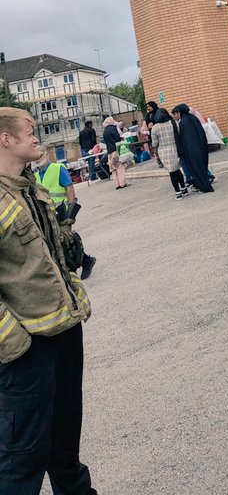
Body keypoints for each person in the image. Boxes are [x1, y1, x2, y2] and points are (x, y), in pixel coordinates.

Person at [0, 107, 96, 494]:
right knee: (22, 460)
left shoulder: (31, 188)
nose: (37, 137)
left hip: (63, 332)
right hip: (26, 350)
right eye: (30, 131)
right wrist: (12, 340)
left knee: (64, 449)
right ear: (5, 139)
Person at [34, 157, 96, 281]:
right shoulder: (35, 175)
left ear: (46, 155)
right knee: (59, 242)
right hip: (48, 214)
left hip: (62, 212)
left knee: (67, 240)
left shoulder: (57, 168)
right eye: (36, 157)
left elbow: (69, 188)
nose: (37, 159)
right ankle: (82, 262)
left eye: (40, 156)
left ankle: (85, 262)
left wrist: (71, 210)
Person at [171, 105, 214, 193]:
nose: (176, 114)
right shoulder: (192, 118)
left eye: (177, 112)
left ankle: (203, 187)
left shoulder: (184, 122)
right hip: (200, 147)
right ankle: (203, 185)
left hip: (192, 150)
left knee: (196, 169)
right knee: (201, 168)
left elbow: (186, 139)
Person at [150, 107, 188, 199]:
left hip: (164, 152)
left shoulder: (155, 128)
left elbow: (154, 144)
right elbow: (179, 134)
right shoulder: (173, 123)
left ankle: (178, 192)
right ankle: (184, 188)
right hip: (175, 149)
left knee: (172, 172)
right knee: (177, 169)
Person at [102, 117, 127, 190]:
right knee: (119, 167)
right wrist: (121, 138)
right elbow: (117, 138)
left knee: (113, 169)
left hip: (109, 152)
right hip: (115, 150)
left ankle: (117, 184)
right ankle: (122, 183)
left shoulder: (105, 131)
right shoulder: (113, 128)